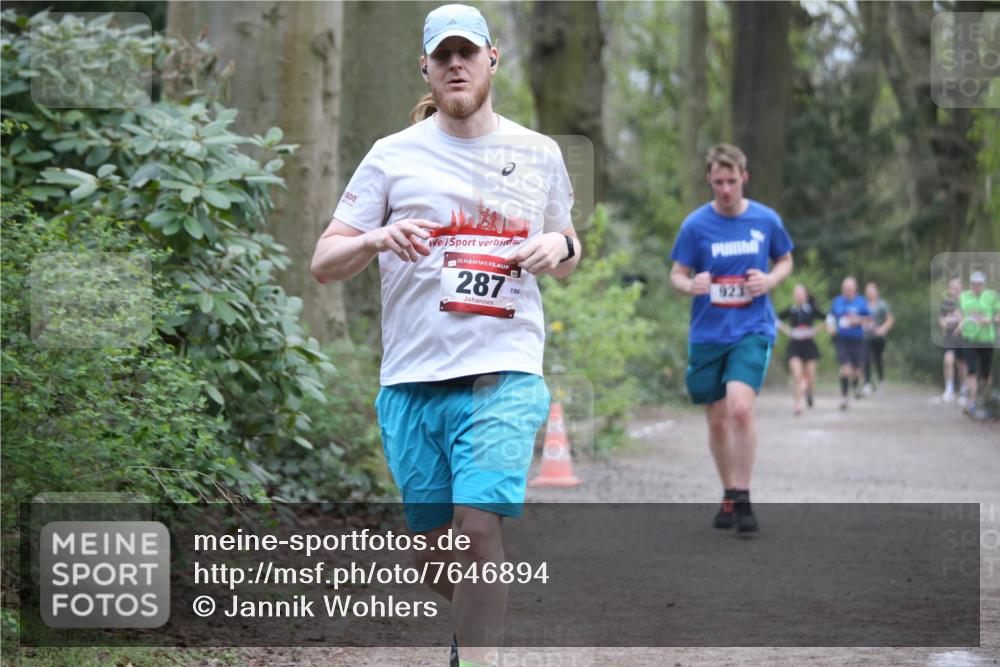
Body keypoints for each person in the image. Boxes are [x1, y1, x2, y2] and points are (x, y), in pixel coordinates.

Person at [310, 5, 581, 665]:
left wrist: (555, 243)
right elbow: (323, 263)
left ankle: (476, 655)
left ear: (493, 59)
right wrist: (375, 237)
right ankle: (471, 625)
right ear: (426, 69)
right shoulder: (391, 157)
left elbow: (569, 248)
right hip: (411, 381)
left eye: (468, 52)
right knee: (438, 549)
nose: (456, 64)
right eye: (443, 56)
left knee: (478, 528)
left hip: (503, 371)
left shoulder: (538, 153)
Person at [669, 143, 794, 533]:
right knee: (718, 420)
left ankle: (743, 495)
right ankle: (728, 493)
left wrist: (770, 280)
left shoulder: (765, 220)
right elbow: (676, 274)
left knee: (740, 408)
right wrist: (692, 285)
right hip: (708, 332)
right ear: (709, 179)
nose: (725, 189)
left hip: (752, 328)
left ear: (744, 178)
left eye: (732, 181)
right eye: (718, 181)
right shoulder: (695, 225)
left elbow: (785, 259)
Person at [776, 284, 825, 415]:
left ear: (805, 295)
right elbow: (775, 320)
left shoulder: (812, 310)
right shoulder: (791, 310)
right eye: (796, 293)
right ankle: (797, 404)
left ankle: (810, 393)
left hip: (809, 346)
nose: (798, 296)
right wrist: (788, 331)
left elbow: (828, 319)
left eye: (800, 293)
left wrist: (815, 330)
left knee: (810, 376)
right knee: (797, 376)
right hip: (795, 346)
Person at [959, 271, 1000, 418]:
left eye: (979, 284)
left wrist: (991, 319)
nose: (977, 286)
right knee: (971, 370)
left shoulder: (991, 297)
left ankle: (985, 401)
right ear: (971, 284)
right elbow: (959, 312)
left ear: (983, 284)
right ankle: (972, 402)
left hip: (986, 339)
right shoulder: (964, 297)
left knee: (985, 374)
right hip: (969, 339)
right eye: (974, 283)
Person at [826, 277, 870, 410]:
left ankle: (855, 386)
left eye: (850, 289)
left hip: (857, 339)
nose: (847, 291)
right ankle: (844, 397)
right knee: (845, 369)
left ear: (855, 289)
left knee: (856, 371)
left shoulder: (861, 302)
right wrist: (831, 329)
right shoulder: (837, 301)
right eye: (845, 289)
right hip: (842, 339)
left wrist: (855, 320)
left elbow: (869, 319)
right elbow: (830, 318)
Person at [861, 281, 894, 395]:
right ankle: (867, 383)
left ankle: (881, 381)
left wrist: (882, 329)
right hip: (865, 337)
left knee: (877, 359)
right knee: (865, 359)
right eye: (868, 291)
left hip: (878, 337)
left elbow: (889, 319)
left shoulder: (882, 304)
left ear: (876, 292)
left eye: (872, 290)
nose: (870, 293)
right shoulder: (862, 304)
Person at [939, 277, 967, 403]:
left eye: (955, 288)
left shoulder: (966, 302)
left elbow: (968, 318)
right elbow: (941, 316)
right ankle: (949, 389)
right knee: (948, 360)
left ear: (961, 289)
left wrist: (960, 324)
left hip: (963, 337)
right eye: (951, 288)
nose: (953, 290)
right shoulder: (947, 303)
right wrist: (942, 323)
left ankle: (964, 389)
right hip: (950, 336)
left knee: (961, 364)